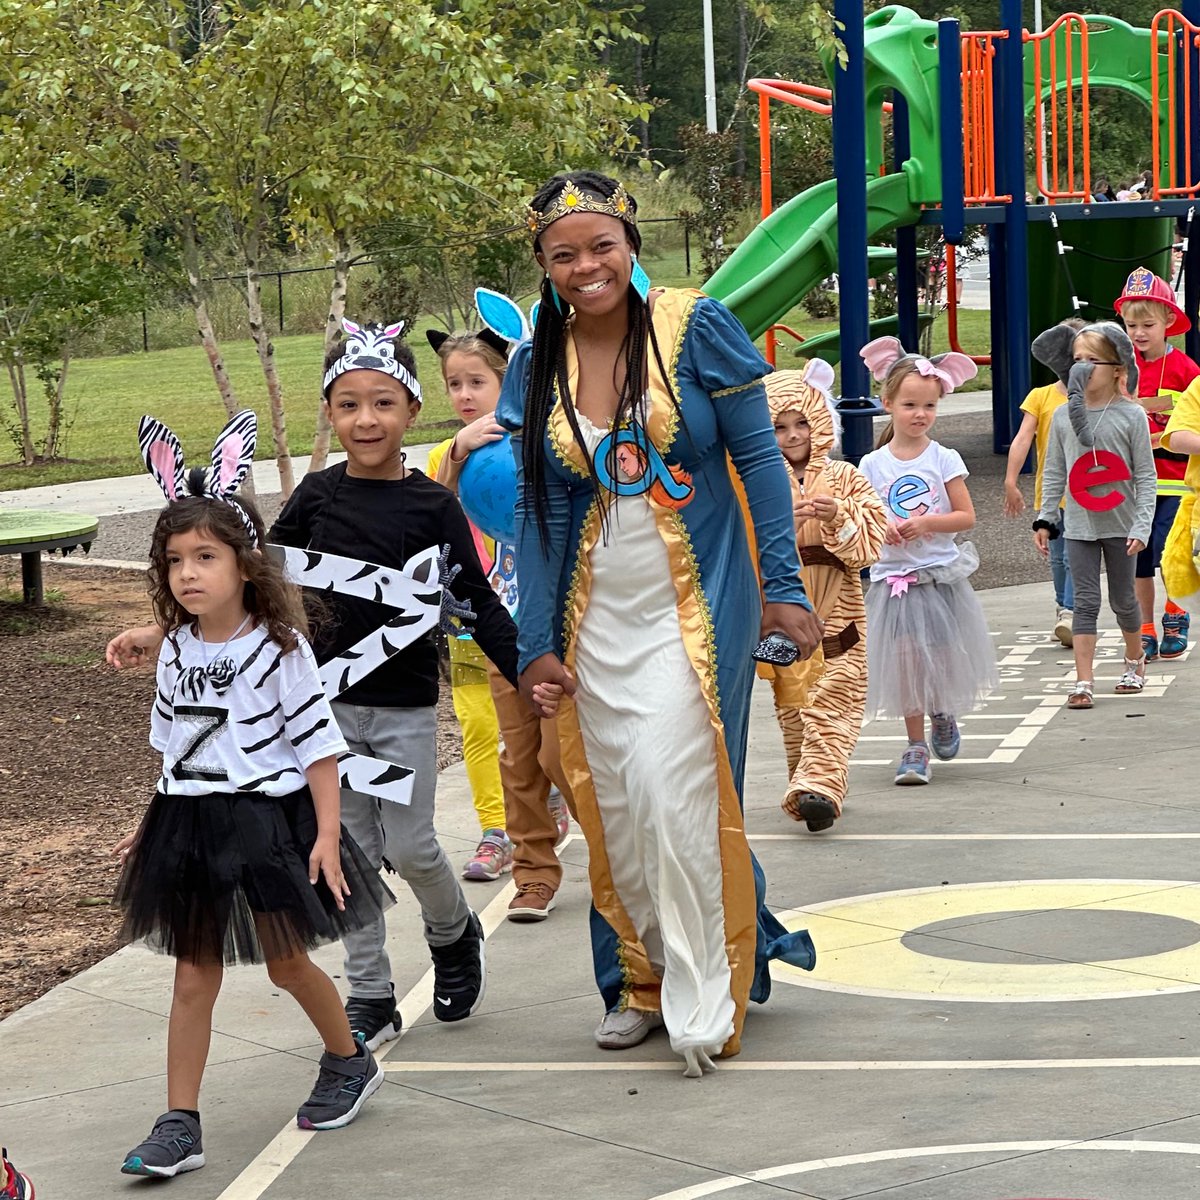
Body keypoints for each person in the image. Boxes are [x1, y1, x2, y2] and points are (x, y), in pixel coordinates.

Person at [108, 323, 519, 1053]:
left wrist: (530, 668)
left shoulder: (431, 507)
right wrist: (159, 629)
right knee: (350, 851)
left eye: (384, 403)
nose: (367, 419)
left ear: (411, 410)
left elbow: (479, 601)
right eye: (350, 404)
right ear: (329, 413)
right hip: (322, 704)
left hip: (402, 703)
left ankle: (453, 934)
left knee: (414, 843)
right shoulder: (318, 499)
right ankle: (370, 992)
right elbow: (245, 574)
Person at [497, 170, 824, 1077]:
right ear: (543, 266)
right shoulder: (535, 362)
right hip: (594, 617)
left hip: (699, 607)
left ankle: (704, 990)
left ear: (631, 246)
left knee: (676, 792)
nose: (585, 266)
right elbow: (537, 506)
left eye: (601, 245)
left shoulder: (694, 326)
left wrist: (784, 589)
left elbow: (759, 461)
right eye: (563, 254)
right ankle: (634, 984)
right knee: (618, 803)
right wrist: (535, 643)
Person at [113, 412, 393, 1178]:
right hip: (188, 821)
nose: (188, 574)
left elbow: (319, 748)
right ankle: (180, 1123)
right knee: (192, 971)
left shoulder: (279, 647)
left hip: (266, 820)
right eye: (174, 561)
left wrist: (328, 834)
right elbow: (175, 748)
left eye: (205, 557)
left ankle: (348, 1060)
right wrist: (150, 826)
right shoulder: (173, 647)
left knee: (284, 963)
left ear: (244, 564)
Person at [426, 327, 574, 920]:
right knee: (517, 755)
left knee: (564, 754)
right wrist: (458, 456)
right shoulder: (452, 453)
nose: (464, 395)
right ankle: (534, 870)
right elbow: (432, 513)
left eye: (477, 382)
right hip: (501, 627)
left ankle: (618, 863)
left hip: (565, 620)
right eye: (453, 384)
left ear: (508, 381)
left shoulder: (546, 435)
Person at [857, 337, 998, 785]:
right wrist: (885, 528)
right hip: (893, 581)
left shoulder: (944, 458)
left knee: (938, 656)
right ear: (888, 404)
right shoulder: (871, 464)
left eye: (929, 406)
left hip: (938, 579)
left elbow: (966, 516)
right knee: (905, 663)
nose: (920, 414)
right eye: (910, 404)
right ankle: (915, 745)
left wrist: (927, 525)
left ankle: (942, 712)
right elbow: (864, 517)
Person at [762, 361, 887, 830]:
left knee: (833, 707)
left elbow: (871, 546)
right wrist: (778, 528)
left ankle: (819, 784)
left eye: (802, 424)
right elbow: (740, 547)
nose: (793, 437)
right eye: (778, 428)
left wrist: (837, 517)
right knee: (793, 711)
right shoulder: (755, 486)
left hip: (840, 626)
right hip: (778, 622)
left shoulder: (848, 479)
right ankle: (810, 783)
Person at [1034, 322, 1156, 707]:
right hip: (1080, 526)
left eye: (1092, 361)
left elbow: (1145, 475)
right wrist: (1046, 517)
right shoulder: (1063, 417)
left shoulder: (1131, 416)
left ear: (1118, 369)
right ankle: (1083, 681)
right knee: (1084, 603)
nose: (1082, 369)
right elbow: (1054, 470)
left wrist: (1142, 523)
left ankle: (1134, 660)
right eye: (1076, 361)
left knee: (1123, 600)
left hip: (1121, 526)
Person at [1113, 266, 1200, 659]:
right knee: (1138, 559)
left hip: (1176, 481)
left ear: (1168, 321)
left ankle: (1175, 613)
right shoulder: (1118, 369)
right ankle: (1144, 624)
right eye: (1131, 325)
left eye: (1147, 324)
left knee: (1170, 554)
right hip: (1131, 482)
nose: (1139, 333)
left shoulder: (1186, 370)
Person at [1002, 316, 1087, 647]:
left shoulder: (1093, 398)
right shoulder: (1041, 396)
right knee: (1056, 557)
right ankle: (1063, 607)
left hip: (1086, 494)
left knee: (1073, 557)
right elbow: (1023, 438)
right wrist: (1011, 480)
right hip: (1052, 495)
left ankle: (1071, 611)